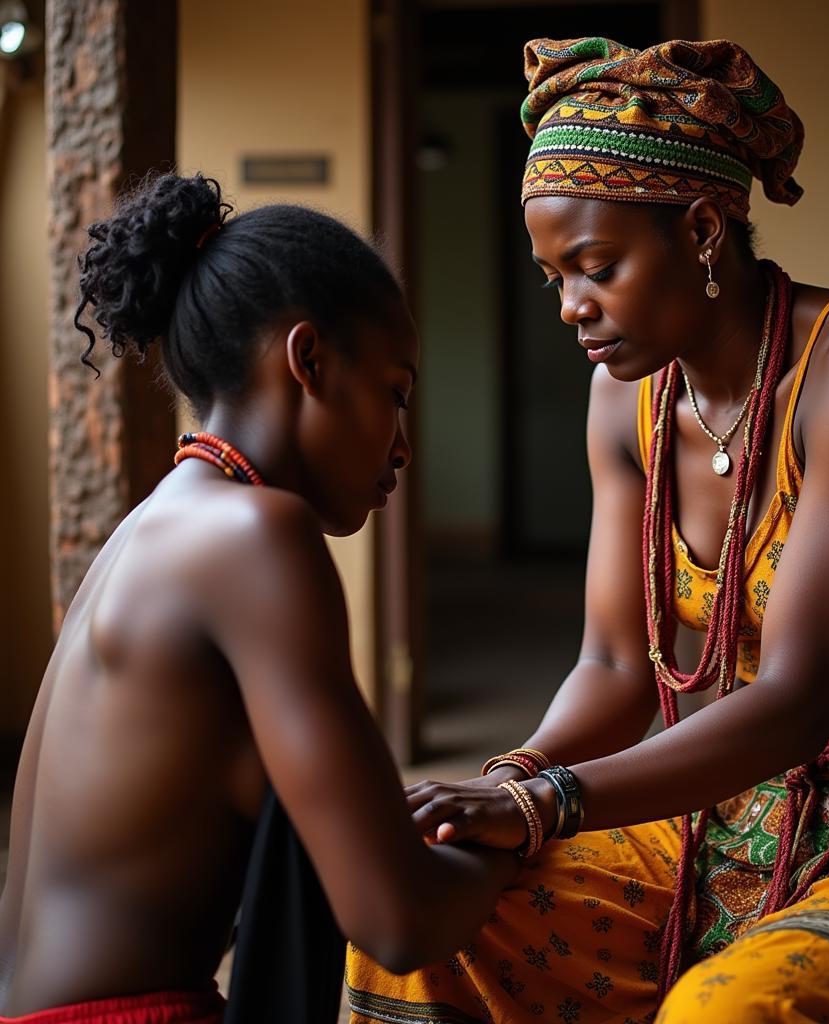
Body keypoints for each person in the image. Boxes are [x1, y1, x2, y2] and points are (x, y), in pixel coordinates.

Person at [346, 36, 829, 1023]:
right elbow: (617, 669)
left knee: (737, 1007)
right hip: (732, 805)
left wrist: (550, 804)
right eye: (553, 278)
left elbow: (796, 698)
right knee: (425, 922)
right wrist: (512, 777)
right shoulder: (623, 404)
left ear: (703, 229)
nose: (572, 307)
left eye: (596, 267)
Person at [0, 172, 518, 1024]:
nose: (403, 444)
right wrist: (525, 830)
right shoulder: (258, 537)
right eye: (396, 392)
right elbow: (397, 916)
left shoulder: (153, 526)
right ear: (308, 360)